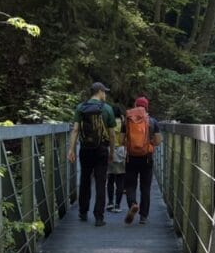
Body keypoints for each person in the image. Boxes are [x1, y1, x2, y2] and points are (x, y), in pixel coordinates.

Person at [68, 81, 116, 226]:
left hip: (85, 149)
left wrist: (71, 149)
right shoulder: (107, 109)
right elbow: (112, 134)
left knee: (85, 179)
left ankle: (83, 212)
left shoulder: (81, 107)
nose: (105, 94)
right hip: (101, 149)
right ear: (100, 92)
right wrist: (112, 151)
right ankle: (99, 217)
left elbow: (75, 130)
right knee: (101, 182)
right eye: (104, 92)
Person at [123, 96, 162, 225]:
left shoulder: (128, 121)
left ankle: (133, 204)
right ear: (147, 107)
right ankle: (143, 216)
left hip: (131, 157)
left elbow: (123, 140)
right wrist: (148, 143)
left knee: (130, 185)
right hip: (146, 158)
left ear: (135, 105)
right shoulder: (153, 121)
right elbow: (157, 141)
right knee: (145, 188)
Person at [106, 105, 126, 213]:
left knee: (110, 178)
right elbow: (124, 140)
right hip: (121, 151)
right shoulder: (123, 123)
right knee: (120, 179)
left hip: (110, 150)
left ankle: (110, 202)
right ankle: (118, 205)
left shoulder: (109, 123)